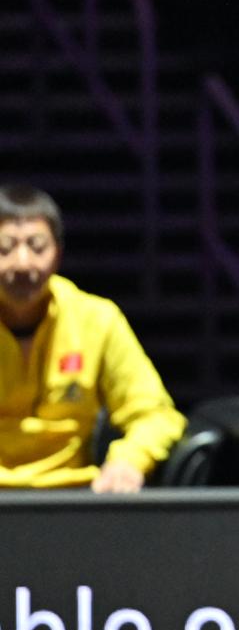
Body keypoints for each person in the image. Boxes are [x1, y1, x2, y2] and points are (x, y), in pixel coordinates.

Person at [0, 184, 187, 492]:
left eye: (37, 246)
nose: (22, 263)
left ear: (57, 254)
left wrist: (129, 460)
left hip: (73, 497)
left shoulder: (97, 320)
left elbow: (156, 414)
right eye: (5, 249)